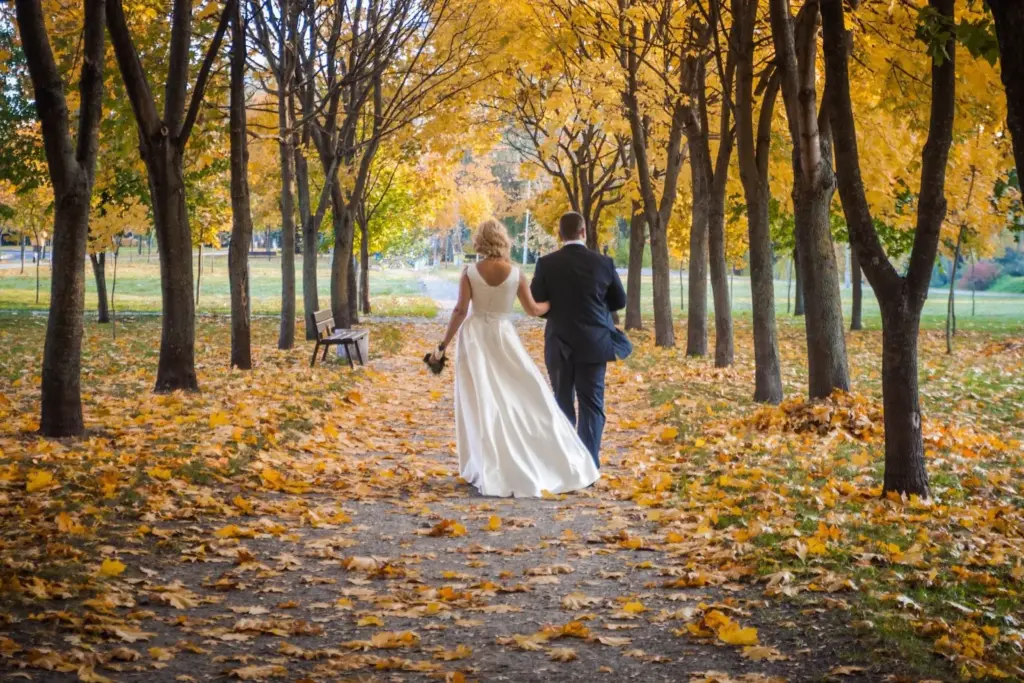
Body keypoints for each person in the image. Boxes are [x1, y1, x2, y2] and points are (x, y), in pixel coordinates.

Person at [429, 219, 599, 497]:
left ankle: (486, 463)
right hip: (504, 336)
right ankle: (541, 456)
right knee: (521, 393)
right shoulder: (516, 274)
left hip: (475, 338)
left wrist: (442, 345)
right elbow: (533, 309)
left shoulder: (470, 272)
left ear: (481, 241)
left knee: (480, 400)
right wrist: (555, 302)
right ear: (503, 240)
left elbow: (460, 310)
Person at [530, 211, 627, 467]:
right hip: (594, 344)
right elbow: (620, 301)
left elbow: (537, 301)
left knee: (562, 402)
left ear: (560, 234)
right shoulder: (603, 263)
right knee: (592, 405)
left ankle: (565, 464)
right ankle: (589, 465)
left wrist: (557, 309)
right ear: (584, 232)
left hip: (559, 343)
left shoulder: (546, 264)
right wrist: (596, 306)